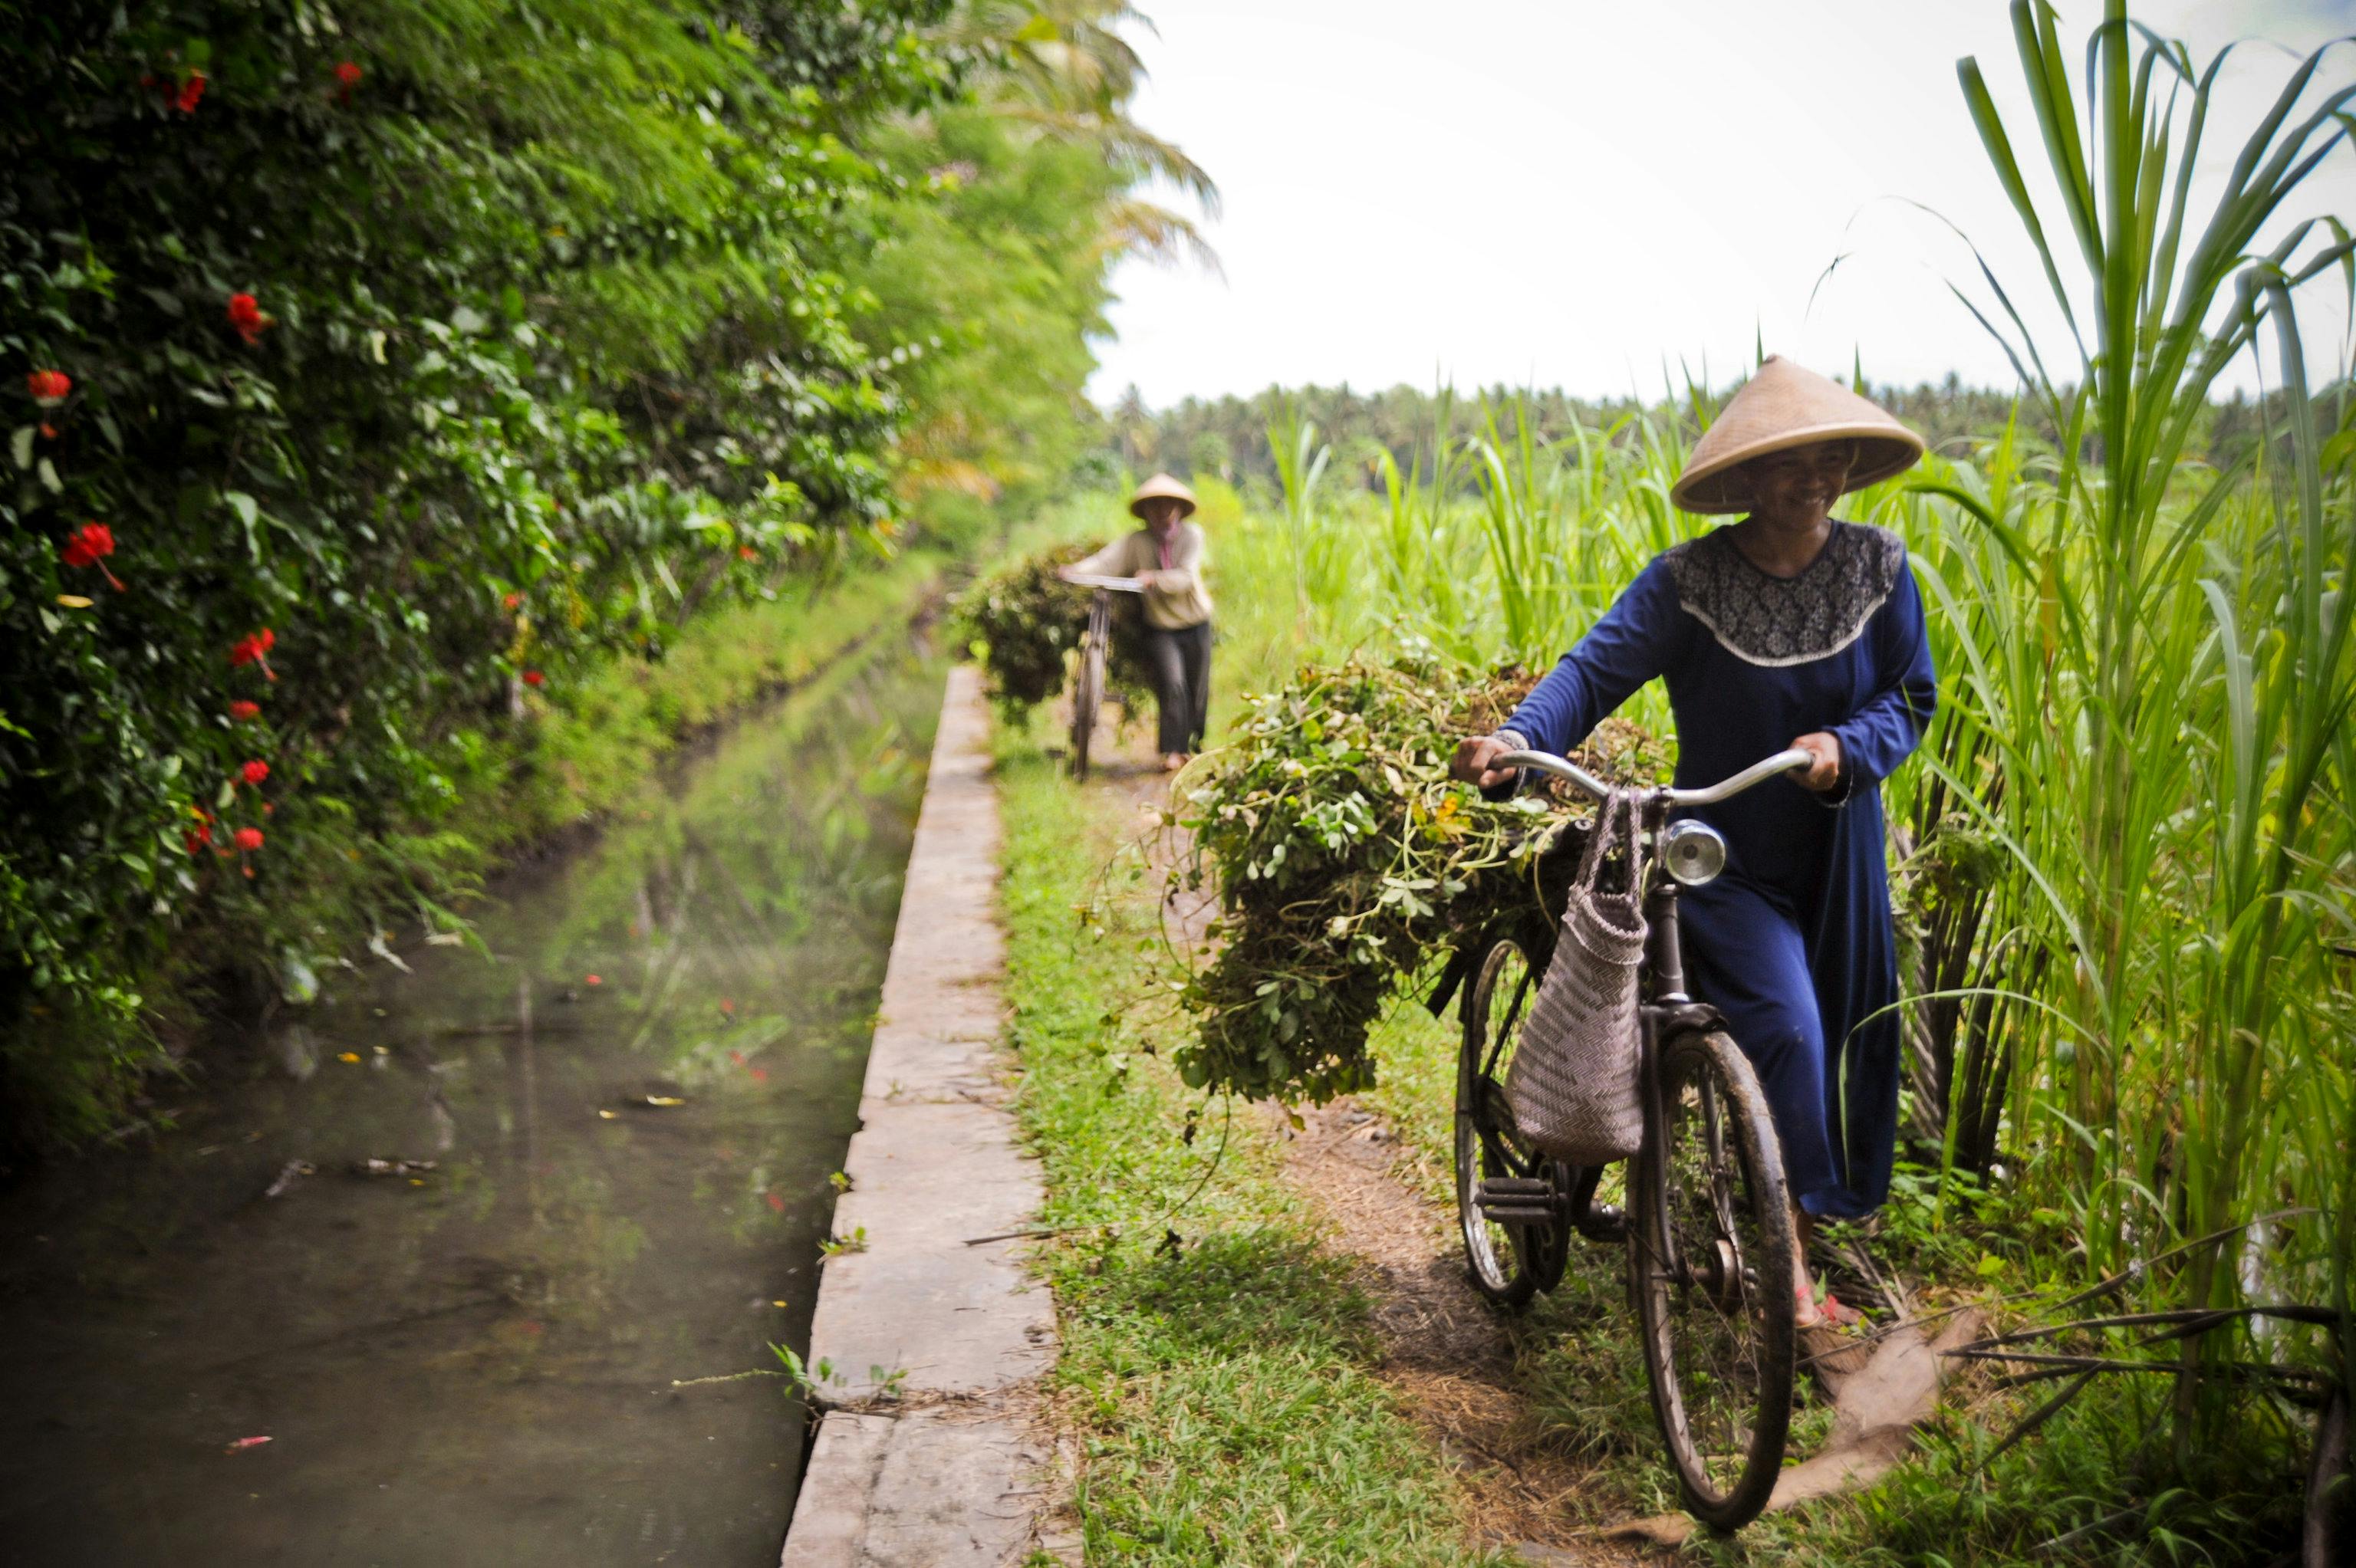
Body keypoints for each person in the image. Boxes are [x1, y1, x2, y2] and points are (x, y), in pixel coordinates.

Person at [1450, 357, 1935, 1331]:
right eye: (1793, 462)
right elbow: (1591, 672)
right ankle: (1787, 1268)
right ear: (1749, 477)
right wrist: (1518, 739)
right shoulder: (1689, 581)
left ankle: (1812, 1217)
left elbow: (1911, 696)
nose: (1818, 476)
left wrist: (1851, 745)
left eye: (1832, 457)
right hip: (1721, 852)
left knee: (1853, 1037)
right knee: (1791, 1028)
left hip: (1839, 854)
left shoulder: (1880, 567)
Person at [1060, 473, 1214, 771]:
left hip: (1196, 623)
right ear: (1146, 511)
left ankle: (1194, 746)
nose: (1162, 512)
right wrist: (1074, 571)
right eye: (1155, 506)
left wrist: (1154, 579)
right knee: (1173, 684)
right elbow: (1106, 561)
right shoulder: (1137, 541)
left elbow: (1185, 577)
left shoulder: (1192, 536)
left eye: (1168, 505)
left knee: (1197, 688)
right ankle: (1172, 751)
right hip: (1161, 628)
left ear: (1178, 509)